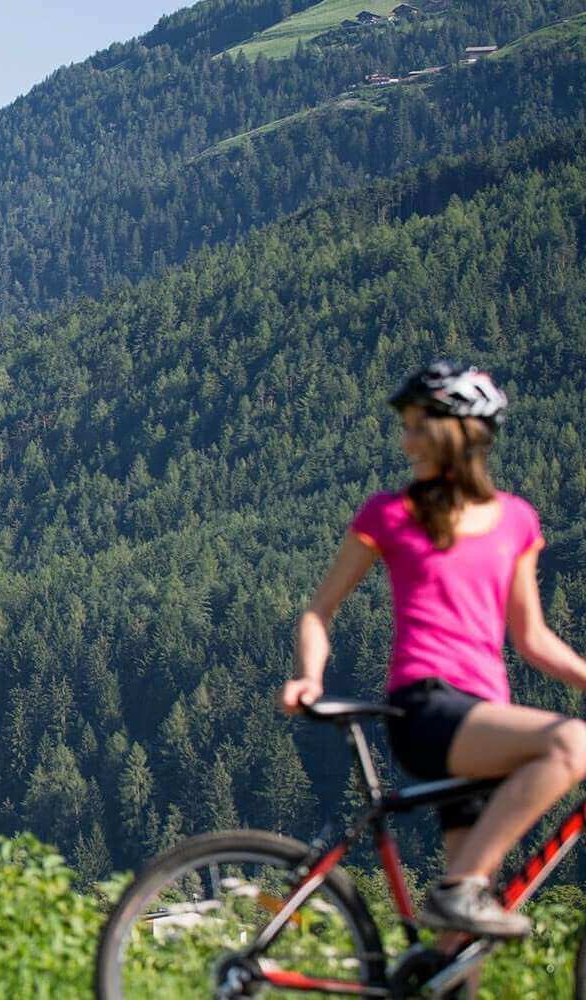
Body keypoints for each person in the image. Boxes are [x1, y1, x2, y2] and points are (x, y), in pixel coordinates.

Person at [281, 361, 586, 938]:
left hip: (480, 721)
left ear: (460, 434)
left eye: (420, 427)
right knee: (573, 742)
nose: (407, 442)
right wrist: (309, 677)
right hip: (426, 710)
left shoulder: (516, 521)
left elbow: (534, 639)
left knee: (461, 948)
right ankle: (458, 890)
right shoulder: (390, 514)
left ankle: (453, 920)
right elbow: (318, 611)